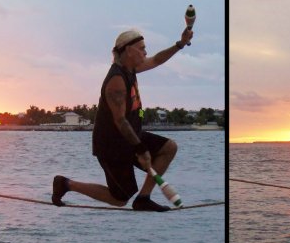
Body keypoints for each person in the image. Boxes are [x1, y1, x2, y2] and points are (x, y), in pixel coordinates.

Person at [53, 27, 193, 211]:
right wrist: (141, 149)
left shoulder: (131, 69)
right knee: (120, 198)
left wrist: (180, 44)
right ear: (128, 50)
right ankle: (66, 184)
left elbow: (157, 60)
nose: (145, 52)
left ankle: (143, 198)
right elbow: (120, 120)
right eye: (141, 48)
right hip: (111, 144)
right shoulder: (116, 80)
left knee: (168, 148)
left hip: (129, 136)